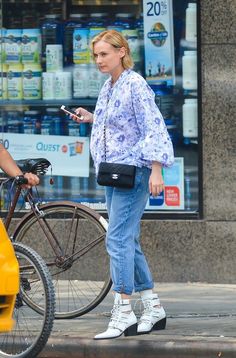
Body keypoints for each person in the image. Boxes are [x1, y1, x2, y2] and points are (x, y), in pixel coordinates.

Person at [72, 30, 174, 340]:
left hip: (135, 172)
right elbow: (119, 124)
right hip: (113, 171)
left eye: (104, 54)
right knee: (127, 240)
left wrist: (157, 171)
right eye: (96, 55)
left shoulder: (135, 84)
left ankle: (124, 312)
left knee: (116, 239)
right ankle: (153, 308)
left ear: (121, 52)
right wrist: (92, 117)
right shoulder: (109, 86)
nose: (99, 60)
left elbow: (153, 127)